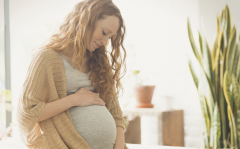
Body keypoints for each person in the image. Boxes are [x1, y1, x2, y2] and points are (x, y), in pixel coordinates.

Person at [16, 0, 128, 149]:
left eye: (110, 37)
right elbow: (28, 113)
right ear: (87, 20)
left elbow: (115, 112)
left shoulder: (99, 61)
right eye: (104, 33)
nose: (105, 42)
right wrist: (75, 99)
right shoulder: (47, 57)